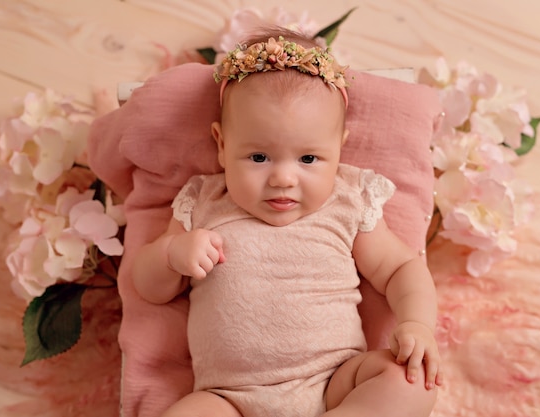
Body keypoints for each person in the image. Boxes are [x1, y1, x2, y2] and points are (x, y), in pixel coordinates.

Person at [132, 28, 443, 417]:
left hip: (337, 384)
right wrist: (171, 255)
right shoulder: (204, 202)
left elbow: (400, 268)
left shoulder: (347, 200)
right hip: (230, 398)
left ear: (339, 147)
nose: (283, 178)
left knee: (409, 381)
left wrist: (417, 324)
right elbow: (147, 287)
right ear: (223, 145)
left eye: (309, 159)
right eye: (259, 157)